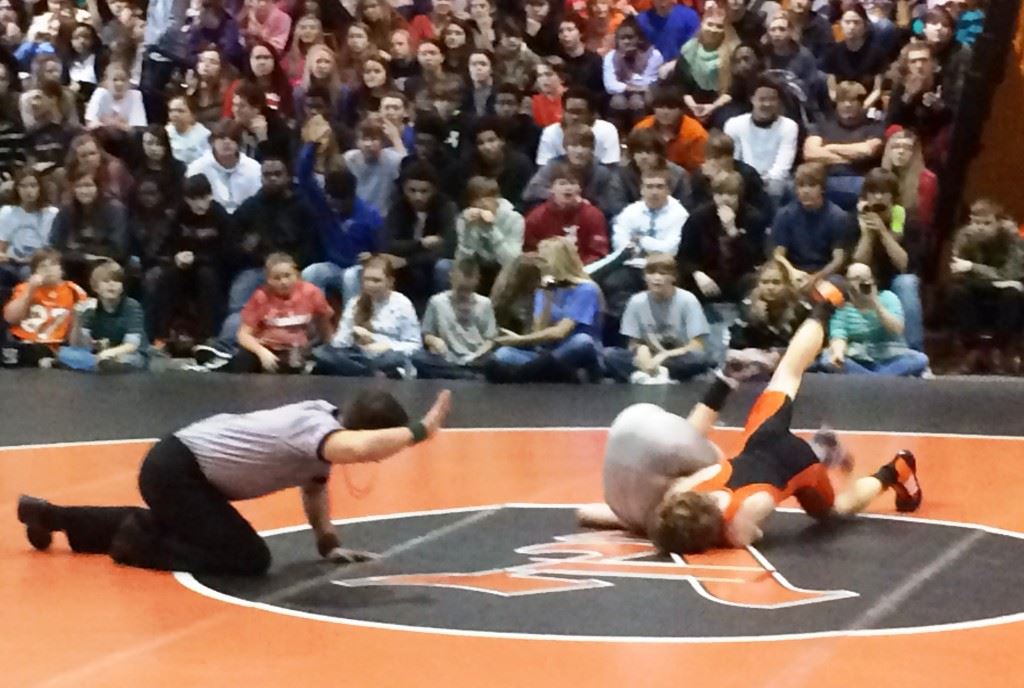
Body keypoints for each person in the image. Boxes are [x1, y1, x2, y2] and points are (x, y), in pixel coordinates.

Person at [578, 281, 923, 552]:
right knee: (788, 372)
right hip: (761, 439)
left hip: (798, 463)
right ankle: (824, 305)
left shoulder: (735, 526)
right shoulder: (682, 489)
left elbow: (751, 533)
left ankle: (893, 471)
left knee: (834, 511)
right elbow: (629, 516)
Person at [16, 388, 453, 575]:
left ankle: (53, 516)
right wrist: (421, 432)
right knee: (248, 558)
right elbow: (359, 450)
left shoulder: (322, 429)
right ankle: (137, 545)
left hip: (180, 467)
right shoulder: (316, 431)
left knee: (183, 522)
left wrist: (327, 542)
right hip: (178, 470)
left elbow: (315, 487)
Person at [486, 236, 604, 383]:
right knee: (503, 354)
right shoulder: (544, 289)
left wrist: (519, 340)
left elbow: (560, 333)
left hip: (574, 353)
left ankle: (527, 374)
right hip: (547, 354)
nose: (538, 264)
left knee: (582, 341)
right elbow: (539, 332)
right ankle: (549, 373)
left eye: (543, 259)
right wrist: (547, 296)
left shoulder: (586, 289)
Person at [604, 253, 712, 383]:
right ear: (645, 277)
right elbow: (633, 342)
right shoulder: (636, 301)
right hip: (648, 357)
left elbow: (696, 345)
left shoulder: (688, 300)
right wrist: (641, 350)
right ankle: (657, 375)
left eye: (663, 273)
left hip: (676, 357)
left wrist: (664, 355)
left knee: (700, 358)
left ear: (673, 277)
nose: (656, 278)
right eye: (651, 273)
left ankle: (646, 375)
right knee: (609, 354)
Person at [222, 252, 334, 374]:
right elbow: (243, 335)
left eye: (287, 276)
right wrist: (262, 352)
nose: (283, 282)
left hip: (298, 350)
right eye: (277, 278)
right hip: (269, 349)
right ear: (268, 280)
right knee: (243, 359)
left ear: (296, 274)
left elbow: (324, 323)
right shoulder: (261, 297)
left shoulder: (312, 293)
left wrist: (328, 347)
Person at [948, 199, 1024, 374]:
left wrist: (972, 267)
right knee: (957, 292)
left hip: (1005, 292)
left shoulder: (1013, 239)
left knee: (1012, 294)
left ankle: (1000, 350)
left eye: (987, 223)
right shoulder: (964, 236)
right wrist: (994, 278)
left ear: (999, 222)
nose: (980, 227)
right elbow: (957, 272)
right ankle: (973, 350)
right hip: (977, 288)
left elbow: (1010, 274)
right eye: (976, 222)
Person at [313, 254, 421, 378]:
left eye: (376, 280)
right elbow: (340, 344)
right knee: (322, 353)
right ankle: (370, 373)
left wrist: (387, 346)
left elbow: (415, 345)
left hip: (386, 356)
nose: (370, 284)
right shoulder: (355, 302)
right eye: (366, 279)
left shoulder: (402, 304)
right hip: (359, 355)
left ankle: (366, 372)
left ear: (390, 282)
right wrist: (352, 336)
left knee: (393, 359)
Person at [818, 262, 929, 377]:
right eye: (856, 278)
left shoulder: (888, 298)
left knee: (920, 359)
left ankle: (870, 380)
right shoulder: (842, 307)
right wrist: (838, 353)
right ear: (847, 283)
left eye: (865, 278)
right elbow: (838, 335)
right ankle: (882, 379)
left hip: (890, 356)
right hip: (859, 358)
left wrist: (875, 304)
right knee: (827, 358)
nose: (862, 282)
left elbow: (897, 329)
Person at [770, 162, 856, 293]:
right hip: (793, 272)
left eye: (811, 185)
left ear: (822, 188)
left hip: (824, 273)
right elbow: (778, 254)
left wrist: (816, 278)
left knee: (837, 285)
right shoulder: (784, 214)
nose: (805, 191)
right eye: (801, 186)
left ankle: (818, 313)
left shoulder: (838, 216)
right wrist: (792, 272)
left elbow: (838, 260)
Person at [802, 80, 885, 210]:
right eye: (842, 100)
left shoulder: (874, 126)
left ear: (861, 103)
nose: (847, 104)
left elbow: (867, 150)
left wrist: (830, 147)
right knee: (795, 187)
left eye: (852, 100)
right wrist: (850, 158)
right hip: (825, 179)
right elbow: (810, 153)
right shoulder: (824, 124)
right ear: (837, 103)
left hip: (858, 179)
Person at [56, 260, 148, 373]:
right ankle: (97, 365)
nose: (112, 284)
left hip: (128, 353)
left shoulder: (131, 306)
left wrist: (108, 353)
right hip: (99, 353)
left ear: (122, 287)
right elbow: (78, 344)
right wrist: (77, 319)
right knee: (64, 352)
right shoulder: (91, 307)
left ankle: (93, 365)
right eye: (106, 281)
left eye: (116, 280)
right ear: (95, 287)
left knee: (129, 359)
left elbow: (131, 345)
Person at [413, 257, 498, 379]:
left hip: (475, 359)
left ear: (477, 281)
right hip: (447, 357)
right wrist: (435, 341)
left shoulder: (485, 303)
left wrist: (478, 354)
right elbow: (427, 333)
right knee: (418, 358)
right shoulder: (437, 302)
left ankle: (458, 374)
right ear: (451, 278)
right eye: (461, 289)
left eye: (468, 290)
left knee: (495, 361)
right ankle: (466, 375)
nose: (464, 294)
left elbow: (490, 339)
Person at [2, 247, 87, 367]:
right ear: (34, 272)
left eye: (53, 264)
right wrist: (30, 291)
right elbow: (10, 318)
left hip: (53, 345)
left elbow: (81, 328)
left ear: (61, 269)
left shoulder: (74, 291)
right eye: (43, 266)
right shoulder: (25, 288)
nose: (48, 270)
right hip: (22, 342)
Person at [723, 75, 799, 201]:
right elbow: (734, 162)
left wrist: (763, 180)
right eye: (762, 99)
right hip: (743, 181)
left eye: (772, 99)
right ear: (752, 99)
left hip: (774, 183)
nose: (767, 104)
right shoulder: (734, 124)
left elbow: (782, 168)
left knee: (777, 187)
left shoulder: (789, 126)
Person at [522, 162, 609, 266]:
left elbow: (598, 252)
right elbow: (529, 251)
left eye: (572, 183)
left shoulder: (594, 215)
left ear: (580, 188)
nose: (568, 188)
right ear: (551, 188)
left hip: (585, 271)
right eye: (562, 183)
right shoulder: (536, 217)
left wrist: (578, 269)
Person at [455, 175, 524, 292]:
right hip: (478, 267)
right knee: (444, 266)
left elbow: (512, 261)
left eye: (487, 198)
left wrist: (491, 229)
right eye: (476, 199)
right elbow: (463, 260)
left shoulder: (514, 218)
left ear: (497, 198)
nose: (482, 204)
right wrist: (469, 229)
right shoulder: (465, 218)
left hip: (502, 268)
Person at [185, 120, 262, 214]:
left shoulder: (254, 168)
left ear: (239, 143)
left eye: (233, 138)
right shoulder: (197, 168)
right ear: (212, 141)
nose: (227, 142)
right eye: (221, 138)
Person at [630, 86, 708, 174]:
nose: (665, 112)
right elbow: (631, 161)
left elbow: (699, 170)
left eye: (671, 107)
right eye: (660, 107)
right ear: (653, 109)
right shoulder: (641, 128)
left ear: (681, 109)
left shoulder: (696, 134)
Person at [536, 87, 620, 166]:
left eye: (579, 112)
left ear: (591, 114)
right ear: (563, 111)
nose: (574, 117)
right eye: (570, 112)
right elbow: (544, 167)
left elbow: (611, 167)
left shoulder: (607, 130)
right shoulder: (551, 132)